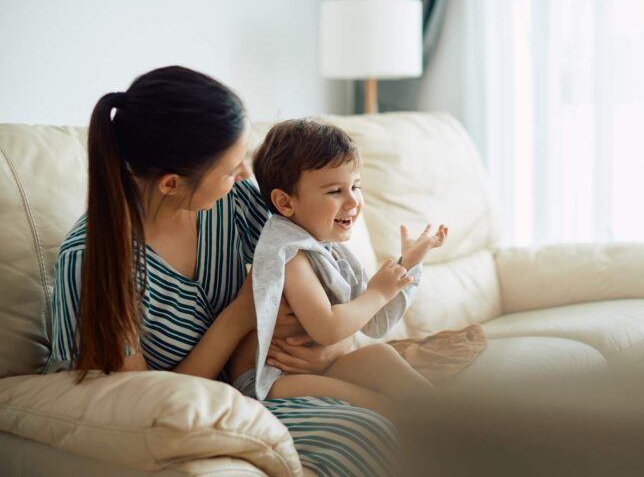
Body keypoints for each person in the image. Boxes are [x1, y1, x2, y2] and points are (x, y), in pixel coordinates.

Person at [46, 65, 399, 476]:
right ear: (171, 184)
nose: (245, 177)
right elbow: (142, 401)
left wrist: (329, 348)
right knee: (367, 435)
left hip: (262, 383)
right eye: (232, 170)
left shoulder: (228, 204)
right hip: (198, 409)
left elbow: (310, 257)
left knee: (399, 425)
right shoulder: (93, 260)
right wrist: (236, 319)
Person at [226, 119, 447, 417]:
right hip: (267, 382)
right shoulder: (287, 254)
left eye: (355, 186)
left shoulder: (329, 248)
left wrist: (408, 264)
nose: (353, 200)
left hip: (308, 370)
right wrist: (378, 293)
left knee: (381, 357)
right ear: (285, 202)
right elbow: (328, 327)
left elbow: (373, 323)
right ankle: (444, 431)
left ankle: (453, 421)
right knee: (384, 409)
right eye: (335, 191)